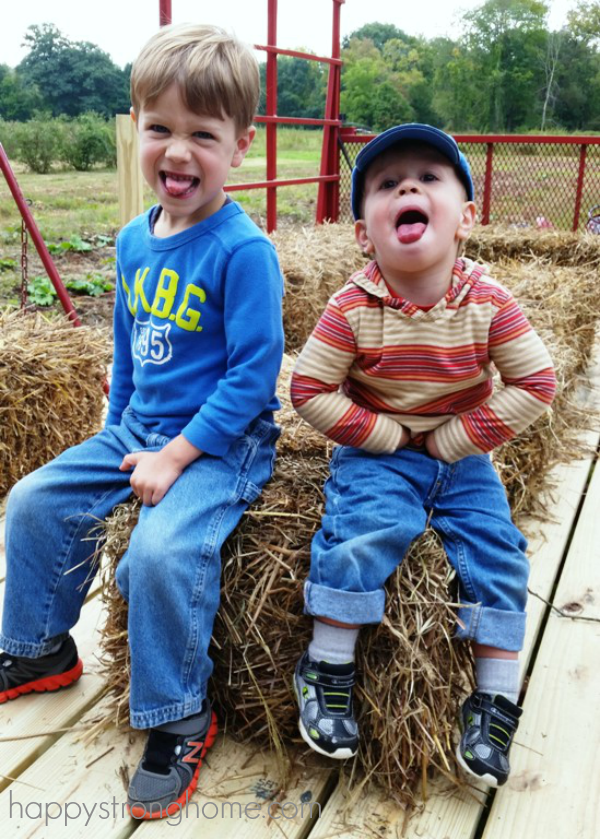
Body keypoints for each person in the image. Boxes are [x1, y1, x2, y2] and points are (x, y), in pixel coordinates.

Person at [0, 24, 284, 819]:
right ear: (135, 130)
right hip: (140, 425)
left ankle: (180, 713)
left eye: (203, 133)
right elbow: (128, 345)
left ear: (241, 145)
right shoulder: (133, 240)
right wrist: (117, 423)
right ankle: (40, 647)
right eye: (160, 128)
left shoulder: (243, 252)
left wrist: (179, 454)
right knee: (33, 499)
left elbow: (252, 376)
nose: (178, 150)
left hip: (222, 443)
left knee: (160, 554)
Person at [290, 123, 556, 788]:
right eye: (386, 184)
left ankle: (494, 698)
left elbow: (537, 383)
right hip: (378, 452)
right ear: (363, 233)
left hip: (459, 455)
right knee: (369, 529)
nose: (407, 186)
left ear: (465, 218)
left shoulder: (488, 302)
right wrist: (383, 436)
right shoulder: (352, 306)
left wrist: (454, 440)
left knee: (498, 551)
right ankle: (326, 666)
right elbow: (309, 388)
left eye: (429, 178)